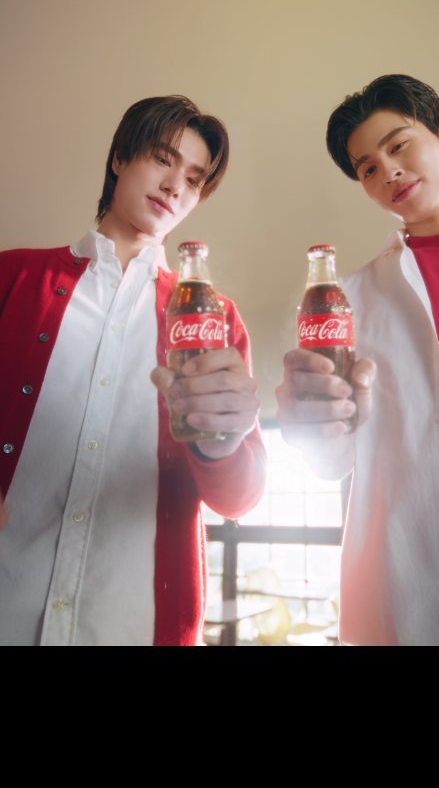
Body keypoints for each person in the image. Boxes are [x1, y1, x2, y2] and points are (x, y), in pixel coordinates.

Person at [277, 74, 439, 646]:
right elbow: (330, 463)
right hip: (432, 574)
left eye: (398, 146)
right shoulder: (349, 301)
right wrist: (311, 424)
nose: (388, 171)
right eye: (368, 168)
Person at [0, 95, 266, 646]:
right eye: (163, 159)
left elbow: (239, 498)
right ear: (120, 157)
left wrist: (221, 441)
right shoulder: (12, 277)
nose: (174, 186)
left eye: (193, 179)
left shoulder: (214, 319)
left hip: (135, 625)